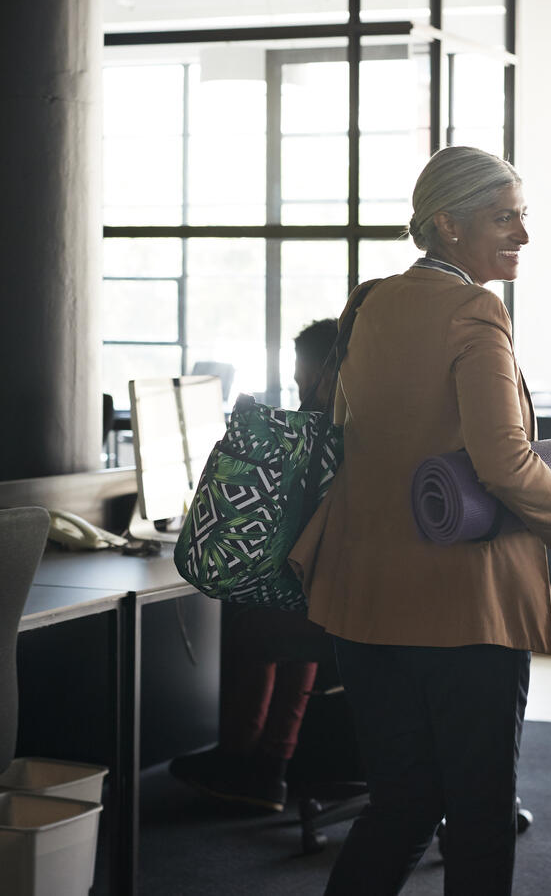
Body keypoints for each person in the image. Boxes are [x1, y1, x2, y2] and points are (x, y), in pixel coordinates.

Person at [286, 145, 551, 895]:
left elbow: (349, 432)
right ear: (447, 223)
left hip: (363, 597)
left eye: (523, 216)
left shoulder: (370, 301)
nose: (523, 235)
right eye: (505, 217)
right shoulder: (475, 308)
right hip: (461, 607)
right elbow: (503, 459)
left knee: (401, 805)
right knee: (478, 816)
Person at [168, 318, 342, 812]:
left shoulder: (318, 434)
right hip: (343, 598)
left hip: (329, 607)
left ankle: (242, 758)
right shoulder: (361, 426)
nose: (298, 386)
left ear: (317, 373)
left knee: (252, 620)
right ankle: (269, 767)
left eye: (301, 376)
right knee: (292, 619)